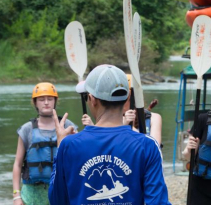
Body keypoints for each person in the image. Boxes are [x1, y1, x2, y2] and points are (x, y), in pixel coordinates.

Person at [48, 64, 170, 205]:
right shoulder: (148, 145)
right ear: (127, 97)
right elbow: (158, 202)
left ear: (92, 99)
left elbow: (56, 199)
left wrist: (60, 146)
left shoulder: (68, 145)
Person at [12, 82, 77, 205]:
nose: (46, 102)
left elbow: (79, 158)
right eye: (41, 99)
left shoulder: (68, 126)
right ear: (35, 103)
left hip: (60, 189)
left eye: (50, 99)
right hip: (32, 194)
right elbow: (17, 164)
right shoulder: (27, 129)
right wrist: (16, 195)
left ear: (55, 101)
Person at [81, 74, 163, 146]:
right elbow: (104, 144)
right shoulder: (110, 119)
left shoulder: (153, 118)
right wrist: (92, 128)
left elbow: (153, 146)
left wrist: (128, 127)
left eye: (124, 96)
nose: (119, 100)